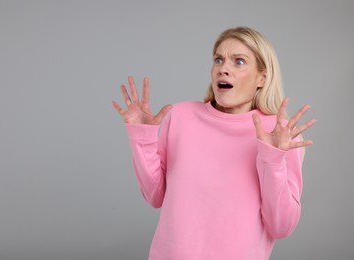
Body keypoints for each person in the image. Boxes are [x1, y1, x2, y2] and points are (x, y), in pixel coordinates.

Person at [111, 26, 316, 260]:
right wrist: (142, 136)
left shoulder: (280, 134)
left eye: (238, 61)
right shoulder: (181, 116)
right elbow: (154, 196)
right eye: (218, 60)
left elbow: (281, 227)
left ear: (262, 77)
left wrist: (272, 159)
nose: (223, 69)